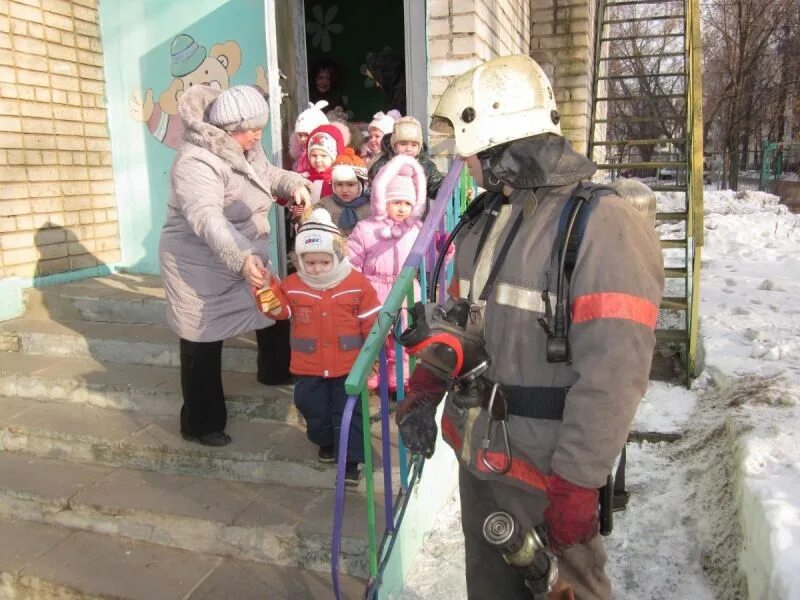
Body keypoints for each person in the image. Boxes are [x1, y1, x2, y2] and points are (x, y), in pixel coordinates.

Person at [395, 55, 664, 598]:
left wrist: (578, 481)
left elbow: (614, 374)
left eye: (468, 149)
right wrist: (425, 388)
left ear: (500, 144)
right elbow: (465, 324)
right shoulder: (487, 216)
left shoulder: (601, 224)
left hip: (549, 470)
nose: (462, 163)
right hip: (483, 457)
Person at [159, 84, 311, 447]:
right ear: (227, 128)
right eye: (250, 129)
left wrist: (295, 185)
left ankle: (274, 372)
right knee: (202, 339)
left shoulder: (246, 146)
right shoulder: (195, 161)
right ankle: (200, 422)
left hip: (244, 250)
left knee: (273, 310)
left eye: (260, 127)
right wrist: (243, 258)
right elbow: (207, 219)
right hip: (197, 262)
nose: (257, 135)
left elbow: (267, 175)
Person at [256, 208, 380, 486]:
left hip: (348, 364)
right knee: (310, 405)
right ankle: (325, 440)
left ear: (337, 257)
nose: (316, 268)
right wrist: (265, 290)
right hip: (309, 366)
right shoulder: (293, 285)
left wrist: (370, 357)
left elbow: (372, 322)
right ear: (299, 260)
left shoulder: (356, 283)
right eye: (309, 262)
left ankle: (351, 460)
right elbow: (277, 311)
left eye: (324, 262)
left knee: (351, 412)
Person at [347, 154, 429, 391]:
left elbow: (432, 260)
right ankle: (374, 375)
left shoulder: (416, 230)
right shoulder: (367, 229)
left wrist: (447, 251)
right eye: (396, 202)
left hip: (405, 292)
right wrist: (355, 289)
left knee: (402, 338)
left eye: (407, 204)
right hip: (374, 291)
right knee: (374, 338)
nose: (402, 208)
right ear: (383, 201)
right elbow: (352, 259)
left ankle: (399, 379)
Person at [368, 115, 444, 204]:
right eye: (403, 144)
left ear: (419, 147)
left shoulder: (425, 165)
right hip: (388, 211)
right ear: (394, 145)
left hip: (416, 213)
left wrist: (444, 188)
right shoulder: (383, 164)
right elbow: (374, 187)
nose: (408, 149)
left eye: (414, 145)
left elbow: (436, 185)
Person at [318, 147, 371, 235]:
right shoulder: (325, 204)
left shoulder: (372, 205)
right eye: (339, 184)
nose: (344, 190)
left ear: (362, 185)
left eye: (350, 185)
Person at [301, 123, 345, 205]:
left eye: (323, 156)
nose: (318, 160)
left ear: (334, 158)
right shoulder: (304, 177)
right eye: (314, 155)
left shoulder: (339, 179)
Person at [289, 100, 329, 174]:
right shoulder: (301, 154)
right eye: (300, 135)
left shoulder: (328, 152)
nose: (302, 139)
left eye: (306, 135)